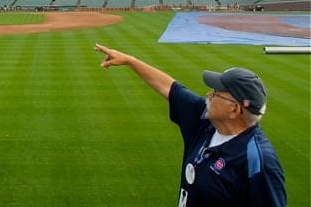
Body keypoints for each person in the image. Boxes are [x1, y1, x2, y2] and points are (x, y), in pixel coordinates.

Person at [94, 44, 286, 207]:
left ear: (235, 110)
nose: (208, 95)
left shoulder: (259, 162)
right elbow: (171, 88)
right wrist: (130, 61)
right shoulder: (206, 119)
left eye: (216, 93)